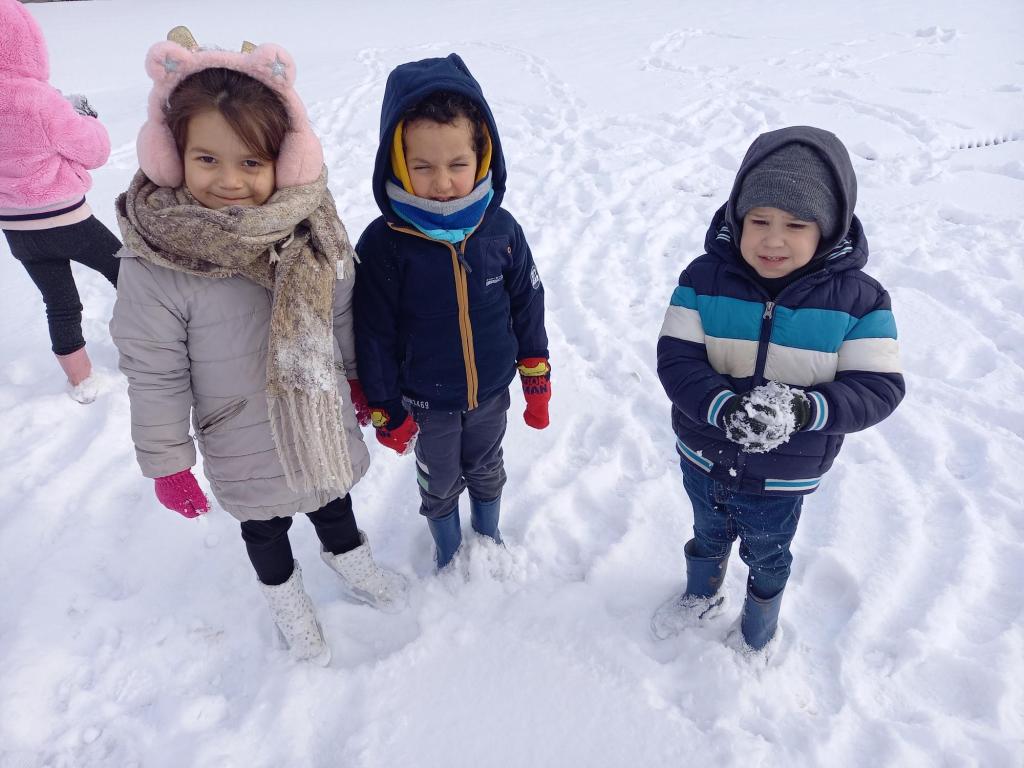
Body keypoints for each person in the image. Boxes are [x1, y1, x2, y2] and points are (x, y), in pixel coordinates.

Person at [110, 27, 407, 665]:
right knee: (264, 530)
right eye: (207, 159)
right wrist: (167, 460)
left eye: (252, 162)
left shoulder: (310, 228)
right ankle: (288, 603)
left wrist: (359, 378)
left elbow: (341, 310)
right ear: (171, 156)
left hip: (317, 412)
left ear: (286, 161)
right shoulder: (157, 259)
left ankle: (352, 563)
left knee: (333, 500)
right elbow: (154, 371)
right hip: (238, 433)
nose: (229, 180)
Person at [653, 125, 905, 652]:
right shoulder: (703, 280)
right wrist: (722, 408)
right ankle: (702, 593)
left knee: (768, 552)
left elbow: (878, 386)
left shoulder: (860, 301)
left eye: (796, 224)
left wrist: (803, 410)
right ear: (737, 219)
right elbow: (677, 359)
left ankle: (759, 629)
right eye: (759, 220)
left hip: (783, 474)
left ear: (827, 231)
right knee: (707, 531)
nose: (773, 239)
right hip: (703, 452)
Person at [354, 54, 550, 570]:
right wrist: (385, 406)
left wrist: (535, 373)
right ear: (398, 163)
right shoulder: (385, 243)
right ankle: (447, 549)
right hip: (427, 400)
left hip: (491, 390)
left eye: (457, 164)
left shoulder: (500, 229)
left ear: (482, 158)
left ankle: (488, 533)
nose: (442, 182)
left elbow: (528, 301)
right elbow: (372, 333)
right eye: (423, 167)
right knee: (439, 479)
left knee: (486, 466)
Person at [0, 0, 121, 403]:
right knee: (129, 274)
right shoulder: (38, 99)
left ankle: (81, 381)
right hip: (68, 221)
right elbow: (94, 151)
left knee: (60, 303)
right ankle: (147, 346)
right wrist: (86, 118)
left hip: (18, 231)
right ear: (26, 42)